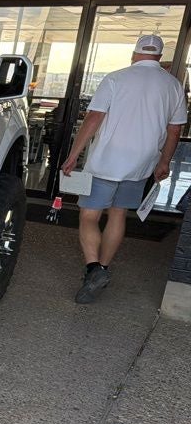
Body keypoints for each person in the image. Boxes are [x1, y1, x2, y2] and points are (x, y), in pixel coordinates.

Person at [61, 34, 187, 304]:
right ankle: (104, 268)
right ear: (159, 57)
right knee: (118, 215)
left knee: (89, 216)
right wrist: (164, 161)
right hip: (141, 163)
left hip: (107, 160)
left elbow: (94, 118)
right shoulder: (173, 85)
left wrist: (74, 154)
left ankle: (93, 269)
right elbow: (175, 129)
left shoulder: (116, 78)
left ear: (134, 54)